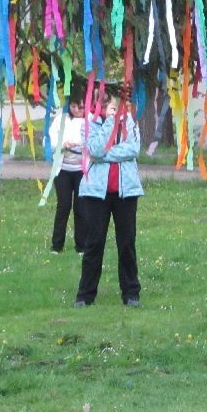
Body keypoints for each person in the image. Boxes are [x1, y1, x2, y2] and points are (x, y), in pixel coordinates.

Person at [74, 90, 144, 308]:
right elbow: (95, 149)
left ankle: (131, 293)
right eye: (104, 105)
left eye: (113, 104)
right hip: (96, 193)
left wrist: (105, 154)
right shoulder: (89, 124)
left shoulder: (129, 120)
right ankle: (85, 295)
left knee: (127, 242)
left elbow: (133, 149)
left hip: (126, 191)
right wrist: (109, 124)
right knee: (94, 243)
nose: (110, 108)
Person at [48, 97, 87, 253]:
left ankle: (81, 246)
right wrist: (62, 145)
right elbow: (52, 142)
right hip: (63, 170)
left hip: (82, 171)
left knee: (81, 208)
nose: (77, 110)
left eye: (81, 107)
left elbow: (95, 143)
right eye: (73, 106)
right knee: (63, 206)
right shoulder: (60, 120)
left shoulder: (90, 120)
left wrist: (82, 145)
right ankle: (57, 246)